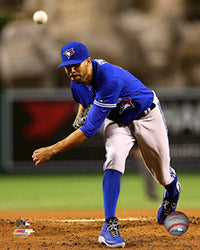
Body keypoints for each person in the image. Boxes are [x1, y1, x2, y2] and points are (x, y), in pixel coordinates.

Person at [32, 42, 181, 248]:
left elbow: (88, 132)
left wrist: (51, 150)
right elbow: (84, 100)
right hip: (116, 120)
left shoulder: (109, 80)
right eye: (68, 66)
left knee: (162, 174)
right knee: (114, 159)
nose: (72, 70)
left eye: (76, 65)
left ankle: (172, 192)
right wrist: (81, 113)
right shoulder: (76, 80)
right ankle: (110, 225)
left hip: (146, 115)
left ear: (88, 61)